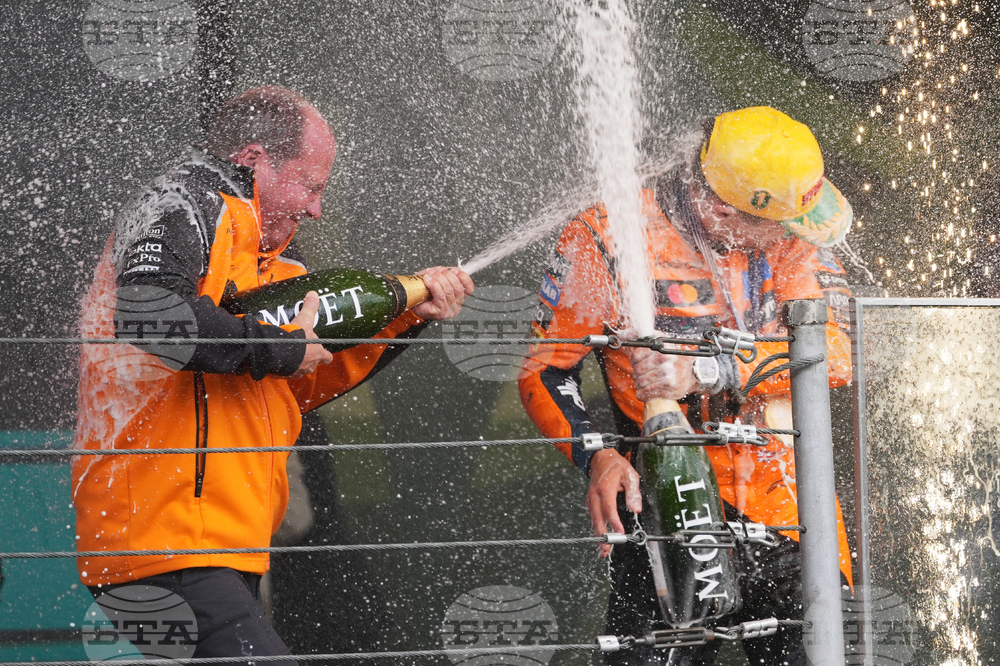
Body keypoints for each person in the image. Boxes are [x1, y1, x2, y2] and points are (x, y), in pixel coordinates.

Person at [72, 86, 474, 661]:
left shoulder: (275, 263)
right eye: (311, 186)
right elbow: (148, 314)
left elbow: (297, 385)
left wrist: (404, 318)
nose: (317, 208)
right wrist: (279, 349)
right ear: (255, 158)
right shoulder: (178, 200)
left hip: (224, 545)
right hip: (161, 539)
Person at [519, 106, 854, 665]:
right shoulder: (608, 234)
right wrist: (596, 456)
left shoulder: (795, 236)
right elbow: (545, 368)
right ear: (722, 208)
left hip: (789, 509)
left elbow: (837, 354)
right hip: (664, 509)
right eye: (779, 225)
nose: (795, 237)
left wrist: (710, 369)